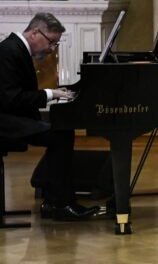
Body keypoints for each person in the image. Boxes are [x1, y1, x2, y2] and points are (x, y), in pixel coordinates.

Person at [0, 13, 99, 221]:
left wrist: (52, 96)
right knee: (60, 134)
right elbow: (11, 98)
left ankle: (52, 199)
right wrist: (50, 94)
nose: (52, 48)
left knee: (61, 128)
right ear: (35, 32)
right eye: (51, 42)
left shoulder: (16, 49)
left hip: (10, 116)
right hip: (5, 121)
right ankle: (60, 204)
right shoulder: (9, 51)